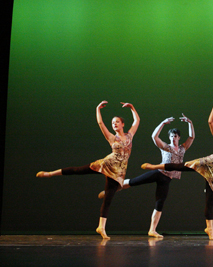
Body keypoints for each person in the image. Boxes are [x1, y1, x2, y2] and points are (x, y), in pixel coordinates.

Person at [141, 100, 213, 240]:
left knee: (210, 200)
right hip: (209, 162)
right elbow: (210, 122)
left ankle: (209, 229)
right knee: (184, 166)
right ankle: (155, 166)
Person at [36, 101, 140, 239]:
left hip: (119, 171)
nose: (114, 124)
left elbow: (137, 120)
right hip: (107, 164)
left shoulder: (129, 135)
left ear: (122, 124)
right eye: (112, 123)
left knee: (109, 196)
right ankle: (50, 173)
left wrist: (132, 107)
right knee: (79, 170)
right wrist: (97, 109)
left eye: (116, 122)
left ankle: (100, 226)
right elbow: (100, 124)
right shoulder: (111, 137)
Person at [97, 114, 194, 238]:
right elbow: (154, 136)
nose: (173, 138)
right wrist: (163, 123)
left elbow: (191, 137)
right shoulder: (166, 147)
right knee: (134, 182)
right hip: (158, 173)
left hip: (167, 179)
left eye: (175, 136)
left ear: (179, 137)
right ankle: (109, 192)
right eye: (171, 136)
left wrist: (190, 123)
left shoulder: (182, 148)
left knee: (160, 203)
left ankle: (152, 230)